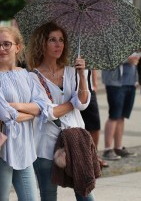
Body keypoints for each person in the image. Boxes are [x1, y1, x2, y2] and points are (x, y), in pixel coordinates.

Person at [26, 22, 95, 201]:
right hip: (46, 144)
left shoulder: (73, 71)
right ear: (42, 43)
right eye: (52, 40)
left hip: (75, 141)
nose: (58, 44)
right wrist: (72, 103)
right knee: (48, 196)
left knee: (85, 193)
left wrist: (81, 76)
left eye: (61, 40)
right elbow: (48, 113)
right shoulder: (32, 77)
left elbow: (84, 103)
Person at [0, 26, 48, 201]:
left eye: (6, 44)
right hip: (0, 149)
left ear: (17, 47)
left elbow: (44, 105)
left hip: (24, 148)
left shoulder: (28, 75)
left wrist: (17, 106)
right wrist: (33, 112)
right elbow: (5, 114)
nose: (1, 49)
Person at [101, 54, 139, 160]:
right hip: (115, 83)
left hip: (130, 82)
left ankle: (118, 147)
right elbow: (106, 58)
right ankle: (107, 149)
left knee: (122, 116)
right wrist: (127, 59)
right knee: (114, 116)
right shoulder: (109, 39)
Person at [80, 70, 109, 168]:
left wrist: (95, 82)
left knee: (95, 124)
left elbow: (93, 64)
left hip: (88, 88)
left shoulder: (87, 54)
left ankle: (94, 155)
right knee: (76, 127)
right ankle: (80, 157)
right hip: (71, 88)